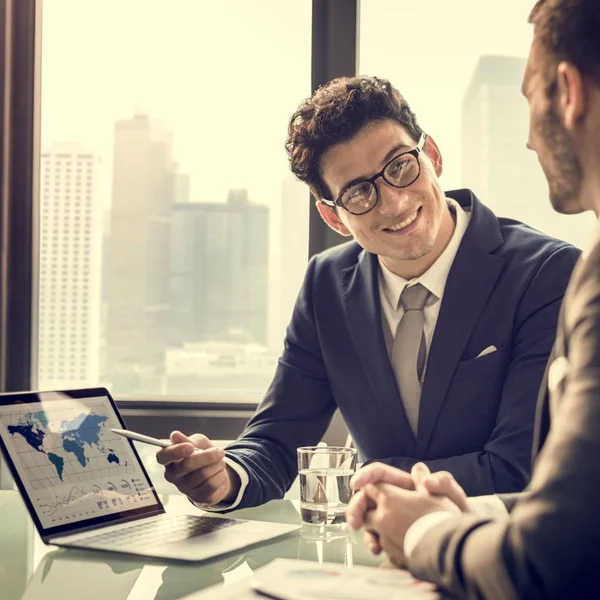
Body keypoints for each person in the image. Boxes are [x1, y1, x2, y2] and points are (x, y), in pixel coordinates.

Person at [156, 74, 579, 511]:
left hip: (499, 554)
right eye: (359, 193)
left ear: (431, 154)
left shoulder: (548, 275)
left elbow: (519, 467)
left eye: (400, 166)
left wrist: (363, 481)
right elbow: (277, 440)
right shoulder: (326, 284)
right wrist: (224, 477)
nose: (394, 203)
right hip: (370, 556)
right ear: (335, 218)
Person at [345, 1, 600, 597]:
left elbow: (554, 562)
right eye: (360, 191)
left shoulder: (570, 272)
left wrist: (426, 533)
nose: (531, 139)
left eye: (529, 100)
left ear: (567, 92)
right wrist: (476, 514)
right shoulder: (328, 284)